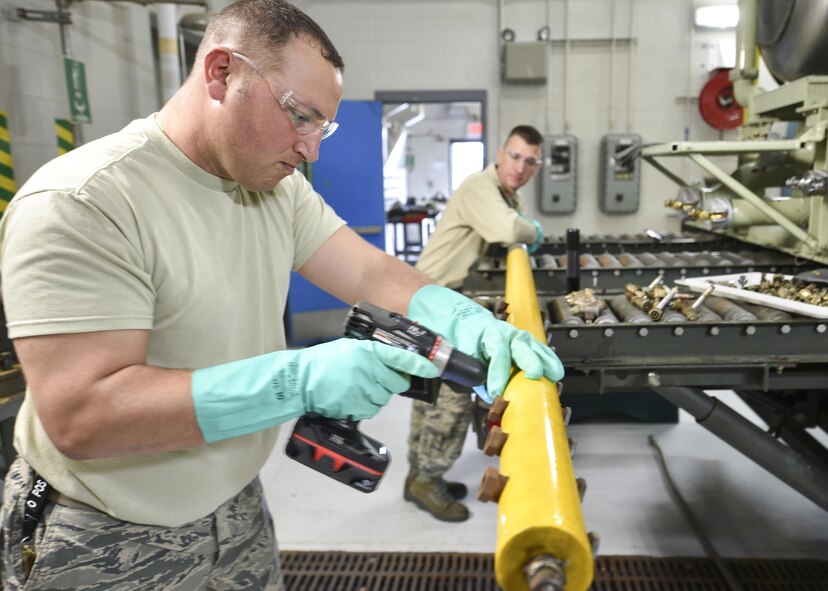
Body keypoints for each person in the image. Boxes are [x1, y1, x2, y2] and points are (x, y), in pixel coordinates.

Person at [0, 1, 563, 588]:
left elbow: (371, 274)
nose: (311, 148)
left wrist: (464, 319)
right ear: (221, 73)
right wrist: (297, 380)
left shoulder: (274, 189)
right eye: (300, 116)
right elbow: (83, 417)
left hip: (234, 504)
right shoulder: (83, 202)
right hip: (98, 531)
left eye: (324, 126)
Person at [405, 125, 547, 522]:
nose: (520, 167)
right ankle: (426, 479)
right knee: (450, 397)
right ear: (501, 153)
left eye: (529, 161)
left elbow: (508, 222)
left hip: (437, 299)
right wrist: (533, 230)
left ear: (537, 167)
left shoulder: (505, 193)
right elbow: (508, 229)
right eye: (515, 156)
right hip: (436, 302)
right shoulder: (480, 187)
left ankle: (419, 475)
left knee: (427, 393)